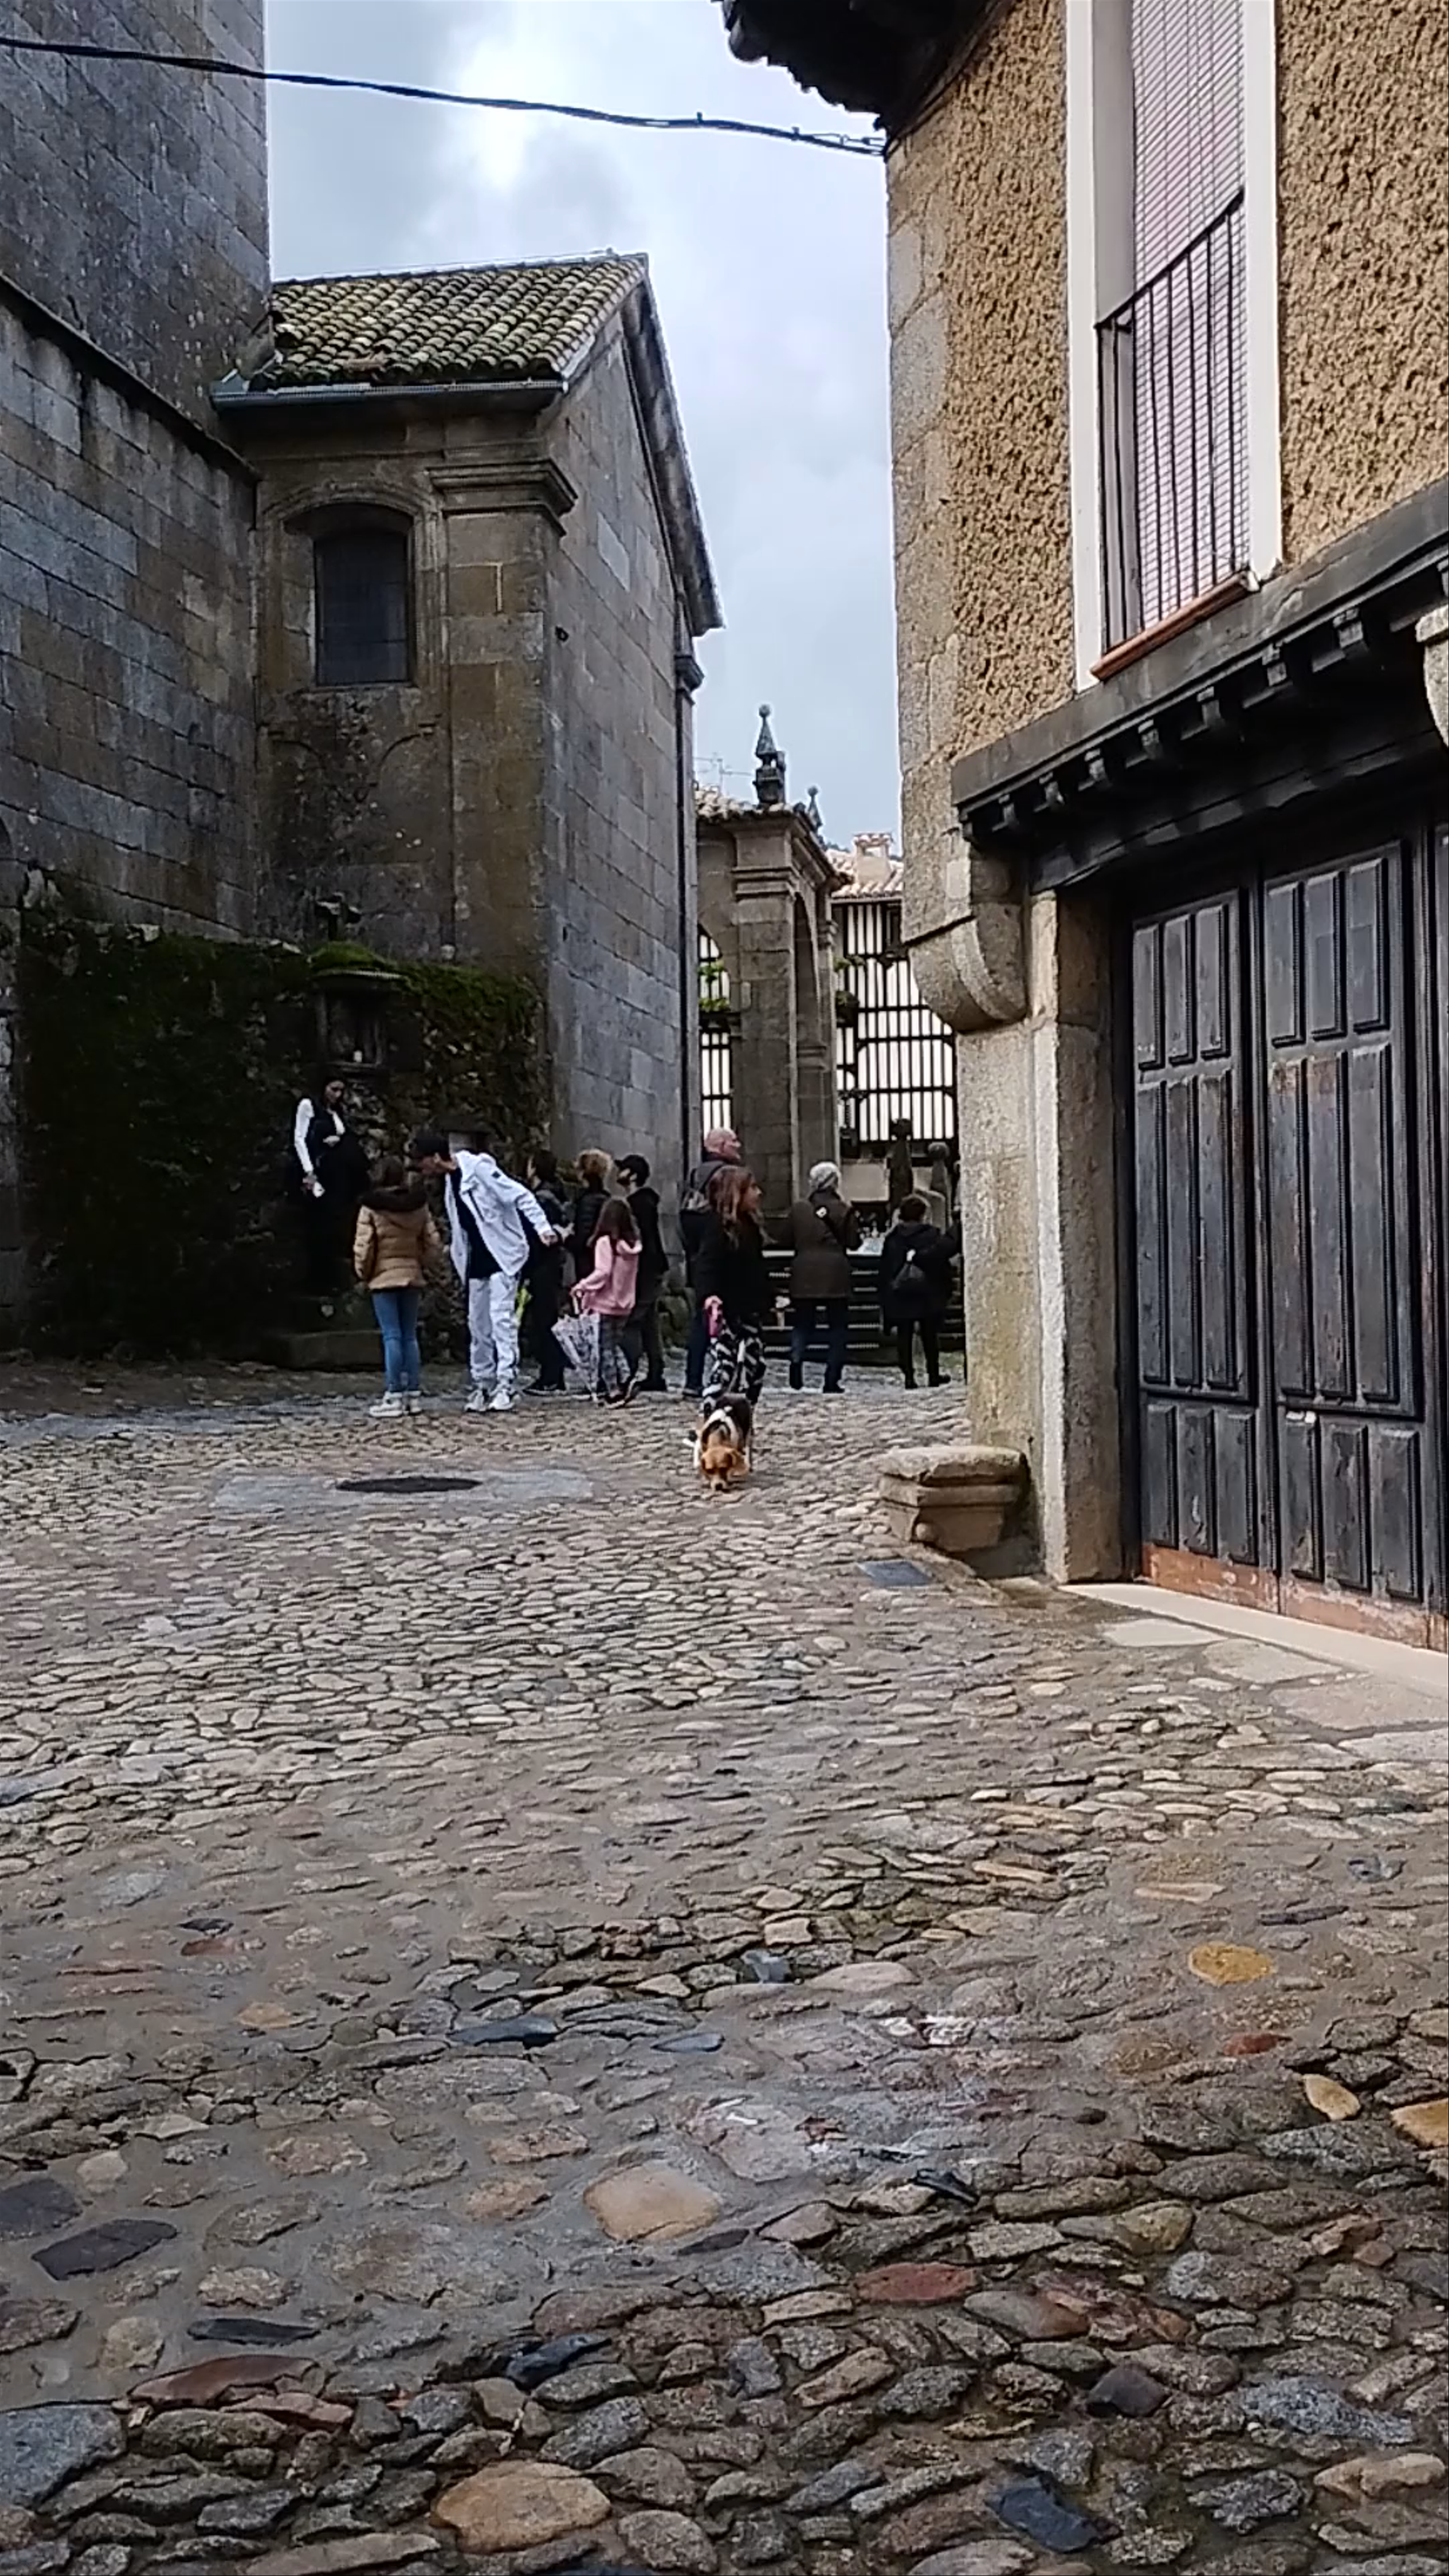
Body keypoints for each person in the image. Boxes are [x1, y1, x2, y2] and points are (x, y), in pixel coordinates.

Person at [409, 1126, 560, 1415]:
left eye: (424, 1162)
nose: (423, 1170)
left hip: (502, 1255)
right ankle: (483, 1382)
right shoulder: (452, 1181)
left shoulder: (478, 1171)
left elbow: (520, 1195)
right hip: (477, 1259)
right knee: (478, 1323)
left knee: (501, 1318)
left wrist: (542, 1227)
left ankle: (506, 1382)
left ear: (436, 1157)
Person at [352, 1155, 441, 1419]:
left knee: (391, 1336)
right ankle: (413, 1394)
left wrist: (364, 1274)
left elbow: (364, 1247)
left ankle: (394, 1394)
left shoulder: (371, 1208)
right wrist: (422, 1265)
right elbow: (433, 1243)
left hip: (383, 1278)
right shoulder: (418, 1206)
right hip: (411, 1275)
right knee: (410, 1335)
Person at [694, 1164, 774, 1413]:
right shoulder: (718, 1229)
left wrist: (769, 1299)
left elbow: (757, 1271)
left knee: (755, 1366)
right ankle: (708, 1420)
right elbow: (706, 1265)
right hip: (727, 1311)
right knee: (725, 1367)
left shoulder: (749, 1228)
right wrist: (710, 1296)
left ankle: (741, 1414)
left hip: (749, 1310)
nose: (758, 1193)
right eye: (752, 1188)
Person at [780, 1159, 860, 1395]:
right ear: (835, 1182)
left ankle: (796, 1361)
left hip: (804, 1271)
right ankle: (831, 1379)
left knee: (803, 1323)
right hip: (835, 1272)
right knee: (837, 1327)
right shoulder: (845, 1210)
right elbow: (854, 1242)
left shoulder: (799, 1209)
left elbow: (784, 1239)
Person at [680, 1126, 743, 1400]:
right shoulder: (726, 1175)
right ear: (719, 1145)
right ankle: (728, 1377)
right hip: (720, 1256)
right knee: (726, 1319)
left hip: (700, 1255)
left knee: (702, 1320)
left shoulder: (696, 1174)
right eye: (733, 1142)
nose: (738, 1145)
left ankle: (693, 1379)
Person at [292, 1075, 366, 1294]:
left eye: (342, 1091)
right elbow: (300, 1139)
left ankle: (333, 1277)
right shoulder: (309, 1106)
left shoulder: (337, 1113)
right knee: (319, 1225)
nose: (338, 1095)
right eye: (334, 1089)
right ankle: (318, 1280)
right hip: (319, 1172)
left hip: (338, 1177)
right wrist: (309, 1172)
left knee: (336, 1225)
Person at [880, 1193, 957, 1388]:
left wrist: (886, 1293)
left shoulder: (893, 1238)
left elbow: (886, 1269)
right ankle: (933, 1373)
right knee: (930, 1335)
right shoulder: (932, 1235)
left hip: (902, 1292)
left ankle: (909, 1377)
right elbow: (941, 1263)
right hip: (928, 1292)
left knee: (904, 1336)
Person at [574, 1196, 642, 1405]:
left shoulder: (606, 1243)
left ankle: (614, 1389)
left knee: (604, 1348)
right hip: (624, 1304)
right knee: (614, 1344)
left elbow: (603, 1272)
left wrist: (582, 1286)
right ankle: (626, 1377)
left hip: (604, 1303)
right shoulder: (633, 1247)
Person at [616, 1153, 669, 1392]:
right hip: (652, 1267)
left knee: (634, 1320)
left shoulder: (639, 1204)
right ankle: (656, 1372)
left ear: (633, 1175)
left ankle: (628, 1371)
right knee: (649, 1322)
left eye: (624, 1170)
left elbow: (641, 1240)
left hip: (645, 1269)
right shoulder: (643, 1202)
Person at [523, 1148, 571, 1394]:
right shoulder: (557, 1195)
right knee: (547, 1320)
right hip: (552, 1265)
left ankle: (551, 1376)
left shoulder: (541, 1199)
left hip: (543, 1265)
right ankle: (553, 1374)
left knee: (545, 1322)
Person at [571, 1150, 614, 1279]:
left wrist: (568, 1240)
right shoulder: (607, 1199)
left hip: (588, 1263)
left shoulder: (588, 1200)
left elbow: (584, 1237)